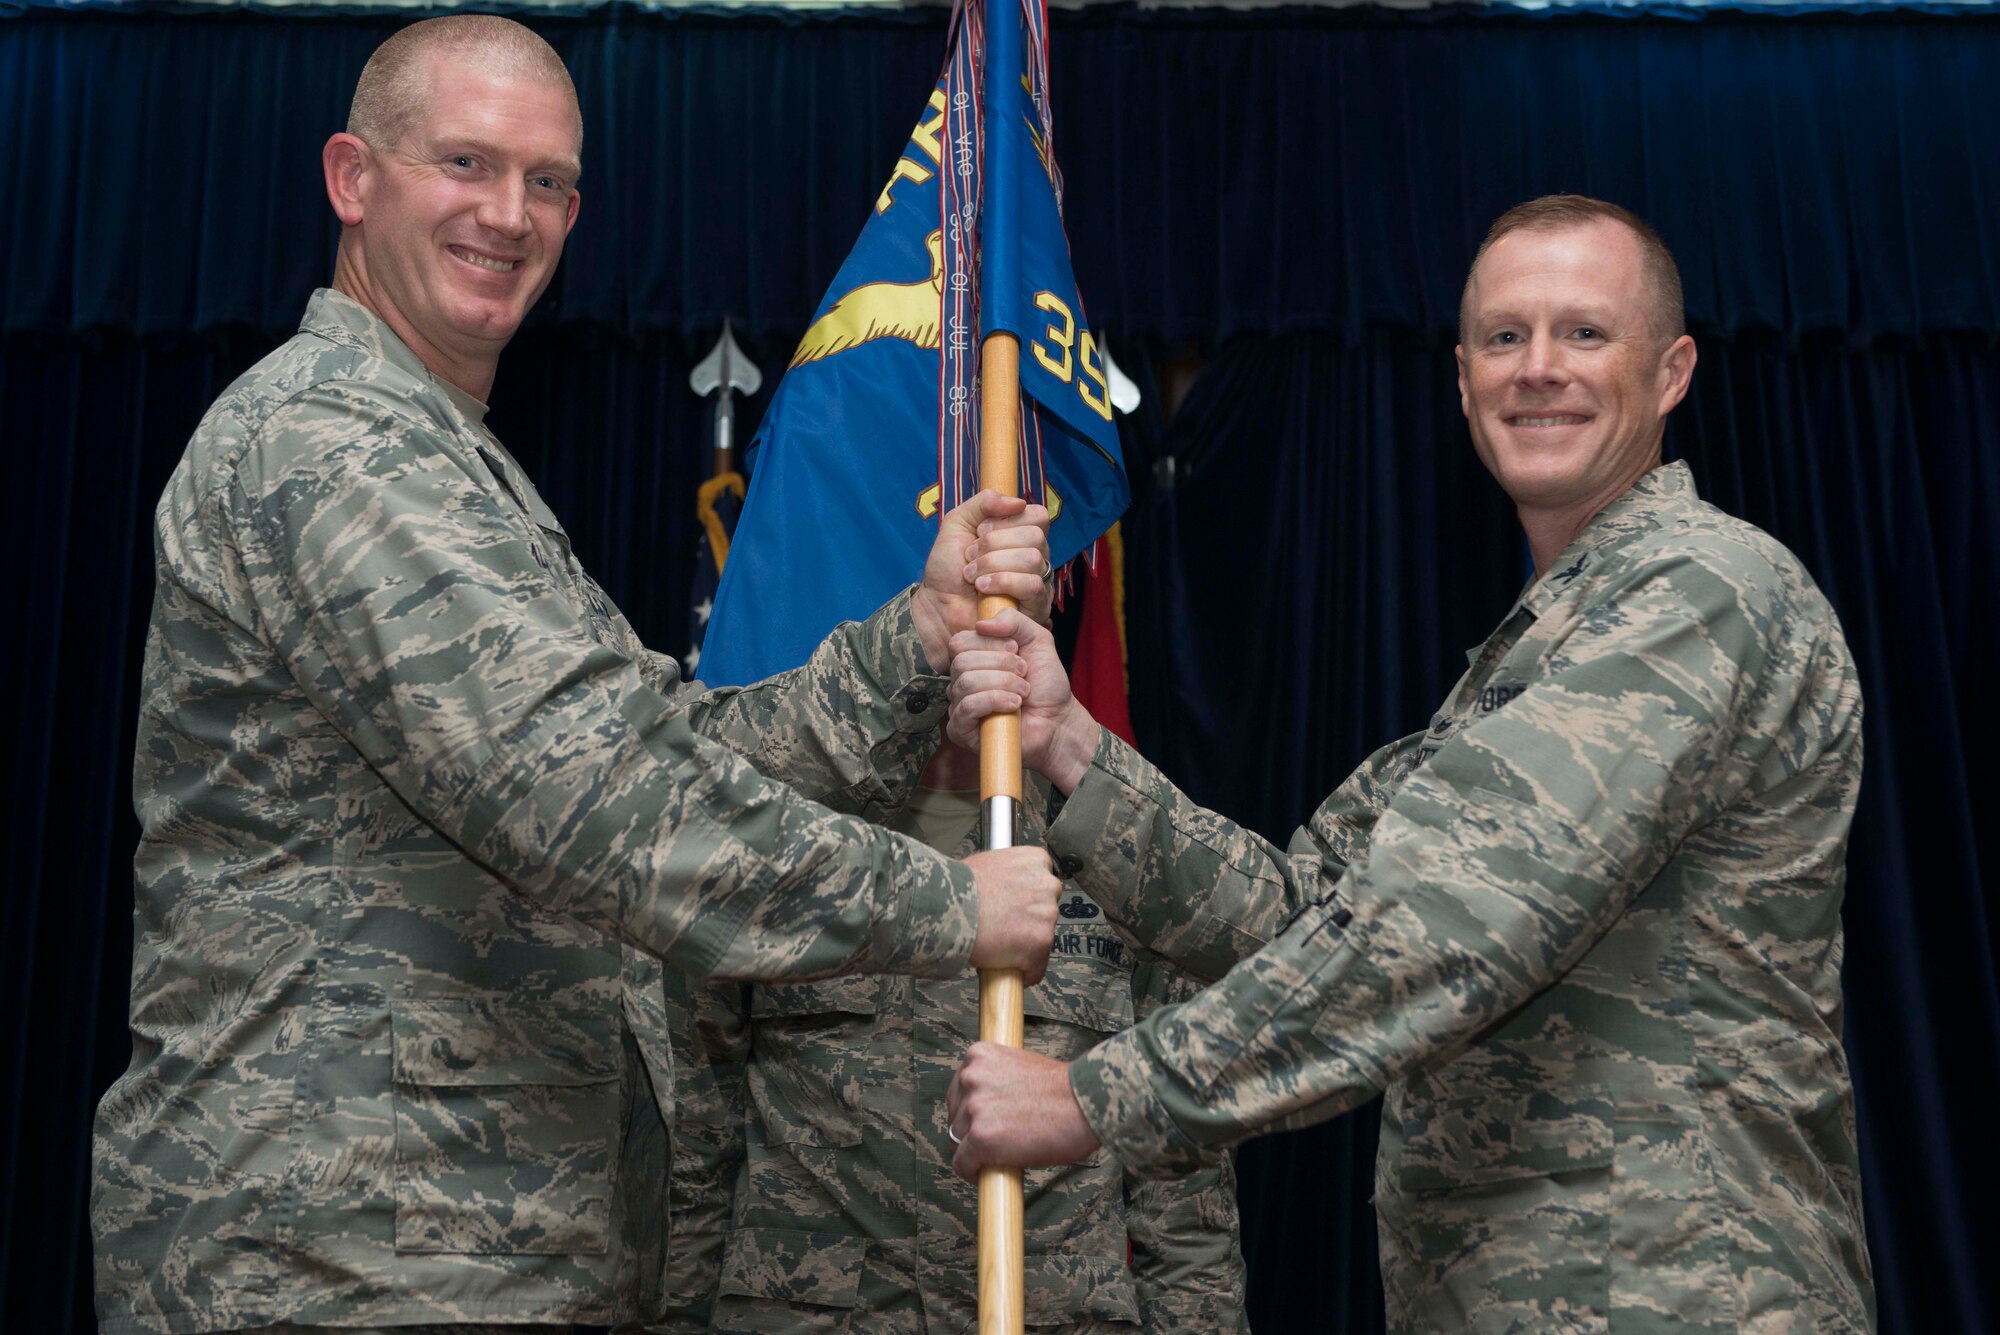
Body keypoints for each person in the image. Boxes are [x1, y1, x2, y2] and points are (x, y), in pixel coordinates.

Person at [91, 17, 1062, 1335]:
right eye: (467, 164)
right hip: (340, 1254)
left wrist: (921, 635)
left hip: (473, 1245)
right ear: (352, 179)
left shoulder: (451, 464)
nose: (511, 214)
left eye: (548, 181)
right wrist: (952, 906)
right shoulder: (326, 448)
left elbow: (657, 744)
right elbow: (599, 800)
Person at [944, 196, 1875, 1332]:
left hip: (1678, 1295)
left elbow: (1446, 925)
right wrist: (1070, 745)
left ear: (1671, 371)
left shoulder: (1700, 594)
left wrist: (1093, 1099)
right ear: (1460, 375)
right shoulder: (1522, 661)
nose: (1537, 370)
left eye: (1584, 333)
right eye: (1502, 337)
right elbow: (1305, 919)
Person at [650, 741, 1250, 1334]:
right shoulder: (786, 834)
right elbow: (692, 1150)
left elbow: (1185, 1201)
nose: (985, 639)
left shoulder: (1130, 848)